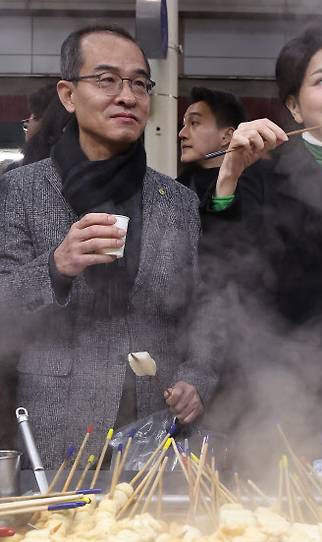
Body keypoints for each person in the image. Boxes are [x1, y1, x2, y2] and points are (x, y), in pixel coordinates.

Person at [0, 25, 218, 468]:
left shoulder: (176, 200)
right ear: (67, 94)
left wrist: (197, 379)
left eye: (139, 82)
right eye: (106, 80)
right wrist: (57, 266)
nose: (127, 96)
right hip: (57, 424)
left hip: (157, 424)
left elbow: (204, 312)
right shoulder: (21, 191)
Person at [206, 22, 322, 464]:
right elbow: (223, 266)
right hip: (278, 387)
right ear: (293, 105)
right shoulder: (260, 174)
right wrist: (229, 175)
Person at [178, 87, 247, 207]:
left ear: (227, 136)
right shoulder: (173, 190)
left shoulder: (253, 190)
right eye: (184, 124)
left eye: (194, 122)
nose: (182, 134)